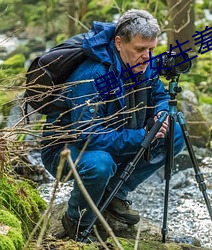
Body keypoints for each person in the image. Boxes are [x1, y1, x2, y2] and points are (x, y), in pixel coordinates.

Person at [41, 9, 185, 241]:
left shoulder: (143, 65)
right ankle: (76, 221)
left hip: (116, 136)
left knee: (175, 132)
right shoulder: (92, 75)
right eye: (140, 49)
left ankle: (115, 193)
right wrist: (142, 135)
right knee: (100, 164)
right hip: (67, 150)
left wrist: (161, 114)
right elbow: (87, 135)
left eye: (152, 49)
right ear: (119, 43)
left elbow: (159, 95)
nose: (148, 57)